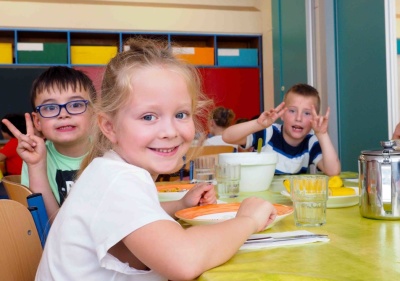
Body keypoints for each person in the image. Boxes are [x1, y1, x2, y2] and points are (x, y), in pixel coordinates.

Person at [35, 38, 277, 280]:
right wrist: (248, 220)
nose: (170, 131)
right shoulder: (116, 180)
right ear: (109, 127)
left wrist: (179, 207)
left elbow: (133, 218)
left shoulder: (112, 172)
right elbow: (184, 260)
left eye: (181, 114)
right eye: (149, 117)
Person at [1, 66, 97, 222]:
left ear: (94, 114)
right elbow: (48, 223)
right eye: (50, 107)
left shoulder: (111, 151)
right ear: (37, 121)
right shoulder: (35, 158)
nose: (63, 114)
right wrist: (36, 165)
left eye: (76, 105)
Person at [222, 83, 341, 176]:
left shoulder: (311, 142)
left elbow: (333, 171)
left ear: (314, 119)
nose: (298, 118)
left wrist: (322, 134)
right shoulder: (268, 132)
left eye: (306, 113)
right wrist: (258, 125)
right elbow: (227, 136)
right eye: (292, 111)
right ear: (282, 114)